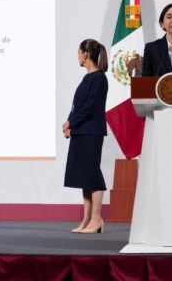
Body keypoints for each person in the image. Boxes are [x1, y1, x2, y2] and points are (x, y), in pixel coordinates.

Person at [62, 39, 109, 234]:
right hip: (81, 130)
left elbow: (89, 107)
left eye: (79, 52)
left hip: (91, 131)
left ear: (86, 54)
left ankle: (97, 219)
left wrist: (70, 123)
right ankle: (86, 220)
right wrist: (69, 124)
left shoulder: (99, 78)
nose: (78, 56)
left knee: (92, 174)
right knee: (84, 177)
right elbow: (77, 106)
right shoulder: (87, 77)